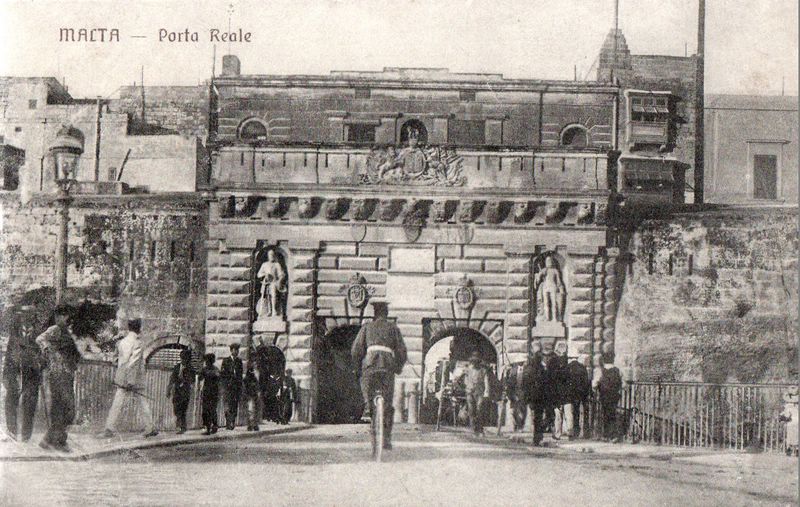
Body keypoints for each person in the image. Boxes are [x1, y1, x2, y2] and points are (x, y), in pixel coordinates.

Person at [351, 302, 407, 453]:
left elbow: (356, 350)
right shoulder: (393, 328)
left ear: (374, 314)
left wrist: (357, 368)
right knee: (387, 403)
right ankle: (386, 439)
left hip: (370, 366)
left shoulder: (367, 327)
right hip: (387, 367)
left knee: (366, 387)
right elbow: (402, 352)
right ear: (386, 314)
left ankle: (368, 407)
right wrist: (398, 367)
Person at [35, 304, 82, 451]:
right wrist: (49, 351)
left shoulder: (66, 331)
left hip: (66, 373)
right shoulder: (55, 329)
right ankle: (57, 441)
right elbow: (40, 339)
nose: (66, 318)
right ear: (59, 316)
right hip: (57, 374)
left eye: (67, 315)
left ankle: (51, 440)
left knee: (65, 408)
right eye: (63, 315)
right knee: (63, 407)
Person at [102, 318, 158, 438]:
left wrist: (122, 374)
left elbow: (115, 359)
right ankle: (150, 428)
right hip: (134, 379)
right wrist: (130, 381)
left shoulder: (122, 342)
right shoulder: (137, 342)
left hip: (122, 378)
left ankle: (109, 428)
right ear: (139, 328)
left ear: (129, 327)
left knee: (118, 402)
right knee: (142, 402)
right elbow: (134, 362)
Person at [2, 305, 42, 442]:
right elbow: (9, 355)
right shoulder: (15, 333)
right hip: (14, 372)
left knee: (30, 403)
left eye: (29, 315)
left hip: (32, 374)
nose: (25, 318)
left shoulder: (39, 334)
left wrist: (39, 363)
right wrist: (5, 376)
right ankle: (11, 431)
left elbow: (44, 355)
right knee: (10, 401)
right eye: (23, 315)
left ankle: (26, 435)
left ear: (33, 317)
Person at [523, 345, 557, 446]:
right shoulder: (539, 369)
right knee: (545, 416)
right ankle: (538, 436)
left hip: (538, 397)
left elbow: (525, 384)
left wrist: (527, 397)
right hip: (541, 397)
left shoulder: (530, 368)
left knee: (540, 417)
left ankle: (538, 436)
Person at [457, 352, 491, 436]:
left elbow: (486, 381)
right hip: (470, 392)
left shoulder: (483, 370)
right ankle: (473, 429)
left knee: (479, 410)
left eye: (476, 361)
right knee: (471, 411)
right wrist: (466, 386)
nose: (474, 363)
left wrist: (487, 391)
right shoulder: (468, 370)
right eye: (473, 361)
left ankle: (480, 429)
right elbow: (462, 380)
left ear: (478, 362)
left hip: (479, 392)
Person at [166, 348, 195, 434]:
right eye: (182, 358)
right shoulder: (177, 367)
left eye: (185, 359)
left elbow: (192, 380)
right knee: (176, 408)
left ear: (188, 360)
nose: (183, 360)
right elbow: (172, 379)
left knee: (183, 410)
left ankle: (182, 427)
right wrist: (168, 389)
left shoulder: (191, 369)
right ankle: (180, 425)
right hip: (177, 391)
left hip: (185, 392)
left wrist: (185, 382)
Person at [596, 363, 623, 442]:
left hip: (604, 395)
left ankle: (606, 435)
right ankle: (614, 435)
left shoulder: (601, 370)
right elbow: (624, 384)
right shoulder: (618, 370)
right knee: (613, 414)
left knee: (605, 414)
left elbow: (595, 384)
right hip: (614, 396)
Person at [256, 250, 286, 319]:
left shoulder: (277, 264)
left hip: (274, 283)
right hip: (266, 283)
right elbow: (259, 274)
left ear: (274, 256)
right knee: (267, 297)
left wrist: (279, 281)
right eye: (270, 255)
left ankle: (274, 311)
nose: (271, 256)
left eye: (272, 255)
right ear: (268, 256)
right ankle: (269, 311)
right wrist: (265, 274)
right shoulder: (264, 264)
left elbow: (281, 274)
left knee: (273, 295)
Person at [221, 343, 244, 430]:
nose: (237, 351)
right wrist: (225, 383)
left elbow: (240, 375)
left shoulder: (239, 361)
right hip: (227, 387)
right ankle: (228, 422)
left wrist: (240, 385)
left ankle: (232, 422)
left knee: (234, 405)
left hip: (236, 387)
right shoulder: (226, 361)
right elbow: (223, 374)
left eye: (237, 350)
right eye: (235, 350)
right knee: (227, 405)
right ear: (231, 351)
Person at [551, 342, 570, 440]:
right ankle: (569, 433)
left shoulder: (554, 363)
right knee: (567, 414)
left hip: (557, 393)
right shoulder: (567, 364)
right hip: (566, 393)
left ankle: (558, 433)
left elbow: (552, 380)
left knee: (558, 414)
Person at [502, 361, 528, 432]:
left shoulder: (527, 370)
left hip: (524, 393)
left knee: (523, 410)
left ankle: (521, 425)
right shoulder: (512, 370)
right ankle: (516, 425)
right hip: (514, 392)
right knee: (513, 410)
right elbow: (508, 382)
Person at [200, 353, 220, 435]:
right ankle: (213, 426)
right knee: (211, 410)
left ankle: (209, 427)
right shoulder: (216, 370)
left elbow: (200, 378)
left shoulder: (205, 369)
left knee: (207, 410)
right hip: (212, 392)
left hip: (209, 392)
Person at [243, 359, 260, 431]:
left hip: (256, 393)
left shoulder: (258, 372)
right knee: (250, 409)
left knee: (256, 409)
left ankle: (255, 424)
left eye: (256, 364)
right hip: (250, 393)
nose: (255, 365)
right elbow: (246, 381)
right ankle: (250, 424)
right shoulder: (249, 372)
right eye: (254, 363)